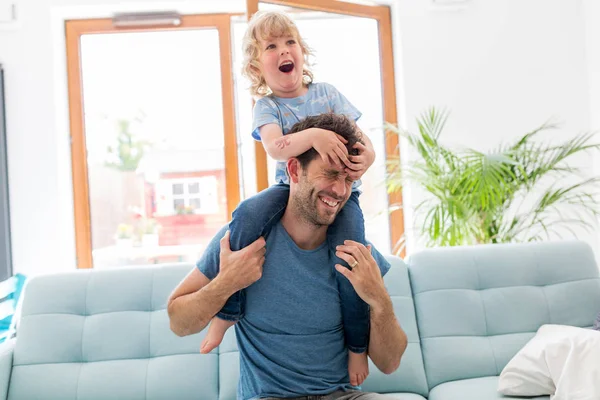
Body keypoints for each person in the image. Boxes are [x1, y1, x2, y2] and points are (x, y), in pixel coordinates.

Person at [168, 113, 407, 400]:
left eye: (348, 179)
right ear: (294, 170)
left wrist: (378, 297)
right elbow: (178, 322)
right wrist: (226, 282)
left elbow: (390, 363)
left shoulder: (355, 252)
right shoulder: (241, 241)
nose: (341, 190)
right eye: (330, 173)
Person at [200, 10, 378, 386]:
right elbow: (276, 148)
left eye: (289, 42)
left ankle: (357, 345)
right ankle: (226, 312)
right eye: (271, 46)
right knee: (248, 213)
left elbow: (363, 141)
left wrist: (368, 156)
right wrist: (313, 136)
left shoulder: (326, 93)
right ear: (256, 65)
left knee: (350, 262)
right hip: (290, 190)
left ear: (301, 52)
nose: (284, 51)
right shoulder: (267, 107)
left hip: (344, 195)